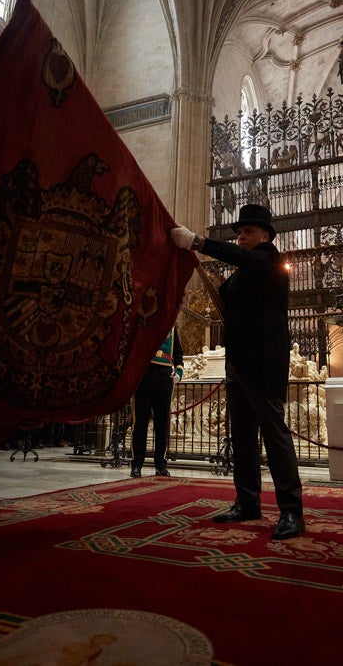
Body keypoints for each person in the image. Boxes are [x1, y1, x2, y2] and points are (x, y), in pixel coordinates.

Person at [170, 204, 305, 540]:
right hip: (238, 362)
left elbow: (241, 257)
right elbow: (225, 296)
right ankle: (247, 501)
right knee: (242, 436)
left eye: (248, 231)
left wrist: (199, 241)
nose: (241, 237)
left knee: (274, 436)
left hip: (264, 362)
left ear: (266, 235)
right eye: (239, 232)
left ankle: (292, 510)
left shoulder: (270, 260)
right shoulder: (242, 274)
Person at [130, 326, 184, 478]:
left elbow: (178, 353)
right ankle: (137, 464)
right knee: (140, 422)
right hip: (144, 373)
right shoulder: (145, 322)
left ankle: (161, 464)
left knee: (162, 423)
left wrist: (179, 372)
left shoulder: (171, 327)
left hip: (164, 376)